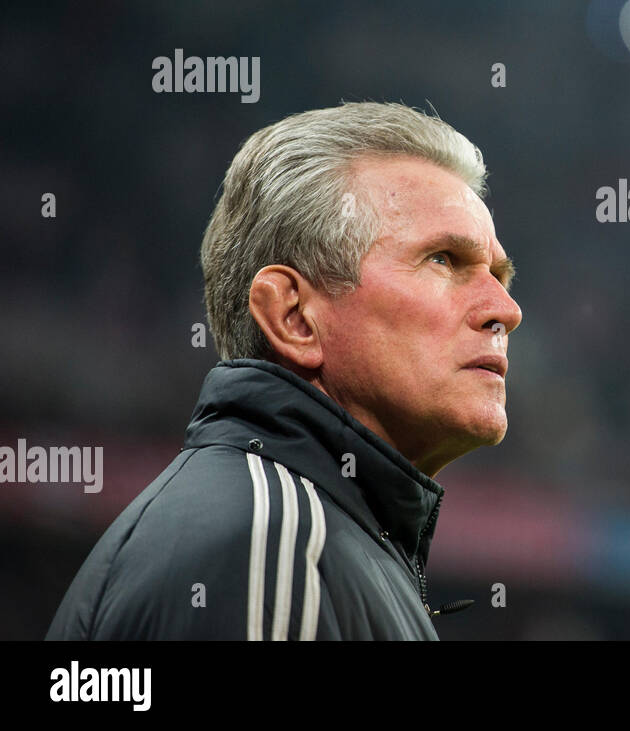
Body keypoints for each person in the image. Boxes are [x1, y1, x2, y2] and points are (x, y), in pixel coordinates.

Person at [46, 101, 522, 640]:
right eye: (442, 259)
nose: (505, 308)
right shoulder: (273, 552)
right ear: (293, 317)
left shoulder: (304, 538)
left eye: (499, 274)